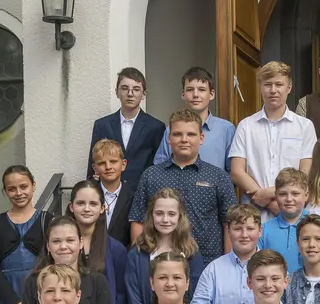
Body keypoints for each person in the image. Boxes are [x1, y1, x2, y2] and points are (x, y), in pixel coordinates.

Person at [131, 109, 238, 263]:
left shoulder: (218, 176)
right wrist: (140, 262)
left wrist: (227, 264)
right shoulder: (151, 175)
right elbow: (137, 219)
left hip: (208, 264)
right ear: (169, 138)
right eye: (177, 134)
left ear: (201, 138)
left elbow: (230, 222)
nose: (184, 139)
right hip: (160, 265)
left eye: (191, 134)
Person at [230, 61, 315, 216]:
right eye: (268, 84)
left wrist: (276, 195)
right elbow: (237, 171)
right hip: (253, 214)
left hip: (293, 212)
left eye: (279, 84)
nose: (273, 90)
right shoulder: (246, 126)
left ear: (289, 88)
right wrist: (268, 202)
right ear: (260, 87)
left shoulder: (304, 126)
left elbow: (306, 171)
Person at [17, 217, 114, 304]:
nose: (63, 246)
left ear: (81, 243)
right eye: (56, 241)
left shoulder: (97, 282)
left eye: (70, 240)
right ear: (48, 246)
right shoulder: (34, 282)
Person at [86, 68, 166, 203]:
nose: (130, 94)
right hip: (107, 196)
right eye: (124, 88)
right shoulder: (102, 125)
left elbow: (158, 166)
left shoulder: (156, 127)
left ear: (143, 94)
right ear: (117, 92)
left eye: (136, 89)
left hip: (142, 195)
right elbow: (93, 163)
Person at [126, 188, 205, 304]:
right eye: (159, 213)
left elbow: (196, 293)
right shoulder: (137, 254)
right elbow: (133, 296)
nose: (165, 219)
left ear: (180, 216)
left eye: (171, 214)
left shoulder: (191, 253)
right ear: (151, 215)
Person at [0, 165, 50, 304]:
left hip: (41, 294)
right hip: (7, 296)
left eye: (23, 186)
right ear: (5, 191)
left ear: (33, 186)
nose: (19, 193)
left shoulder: (47, 219)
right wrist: (15, 302)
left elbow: (52, 262)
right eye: (12, 189)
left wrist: (32, 299)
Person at [69, 180, 131, 304]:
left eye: (93, 204)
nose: (87, 208)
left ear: (103, 208)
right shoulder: (61, 246)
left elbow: (121, 296)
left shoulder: (116, 249)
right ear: (71, 207)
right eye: (80, 203)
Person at [153, 67, 236, 171]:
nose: (195, 95)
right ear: (183, 95)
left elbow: (233, 171)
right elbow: (160, 169)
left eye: (201, 90)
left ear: (211, 94)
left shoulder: (226, 129)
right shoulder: (171, 130)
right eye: (190, 90)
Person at [190, 204, 263, 304]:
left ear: (260, 231)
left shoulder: (270, 267)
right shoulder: (213, 269)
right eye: (238, 229)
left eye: (250, 229)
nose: (244, 235)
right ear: (228, 231)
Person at [260, 167, 310, 272]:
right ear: (276, 196)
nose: (289, 199)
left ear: (306, 195)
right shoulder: (264, 230)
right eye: (283, 194)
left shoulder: (319, 227)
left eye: (295, 194)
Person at [89, 138, 135, 247]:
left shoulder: (133, 197)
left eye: (113, 161)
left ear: (123, 164)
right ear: (95, 168)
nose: (108, 167)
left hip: (122, 257)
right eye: (102, 163)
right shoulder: (87, 194)